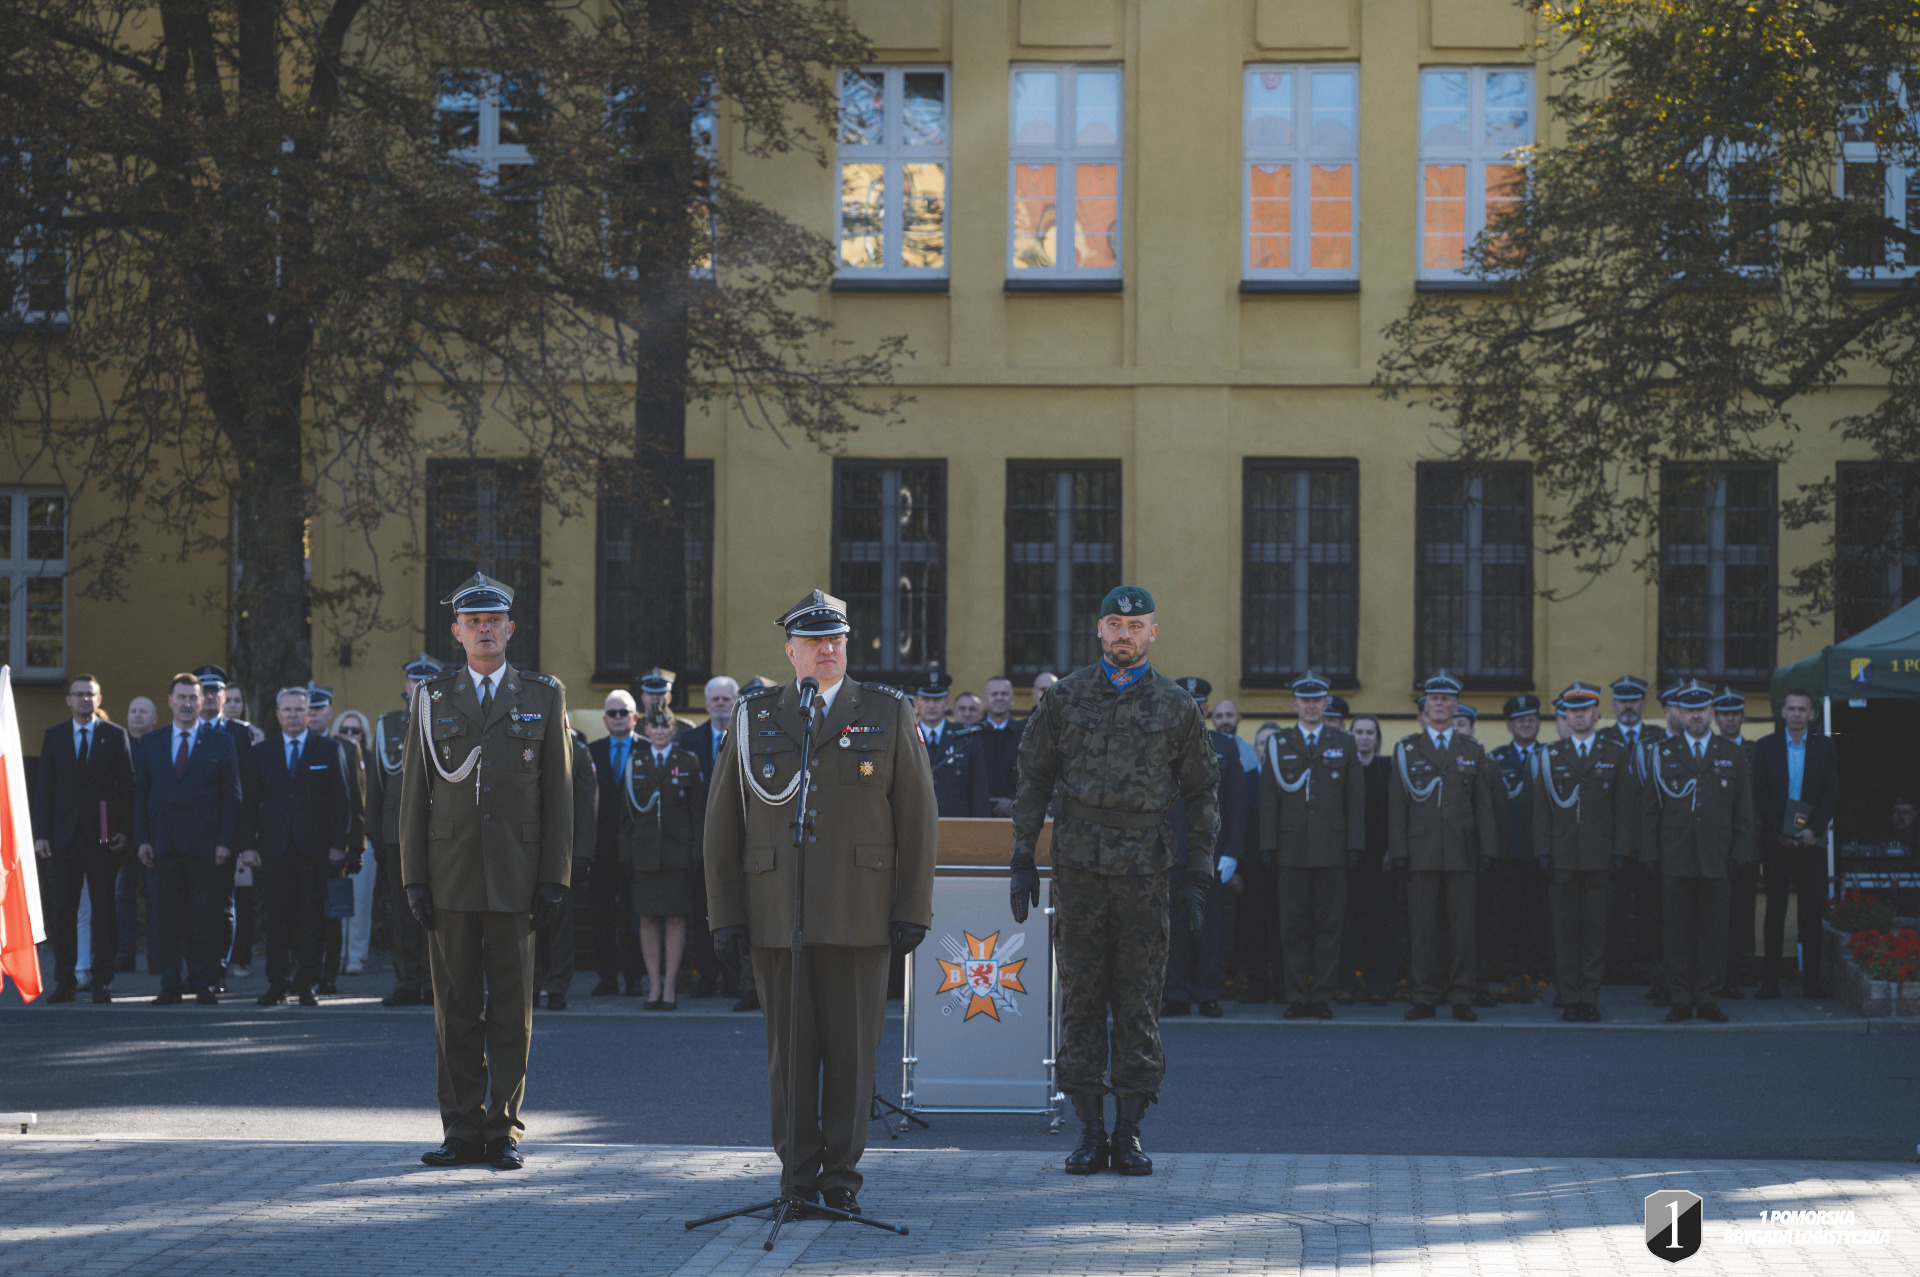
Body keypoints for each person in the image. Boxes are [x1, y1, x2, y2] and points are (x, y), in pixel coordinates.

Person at [705, 588, 937, 1217]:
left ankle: (840, 1180)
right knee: (790, 1058)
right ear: (791, 651)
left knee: (852, 1058)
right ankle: (797, 1179)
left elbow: (918, 816)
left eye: (836, 639)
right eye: (813, 641)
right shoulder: (755, 716)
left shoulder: (886, 710)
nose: (827, 649)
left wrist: (911, 906)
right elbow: (723, 822)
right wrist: (726, 914)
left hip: (861, 911)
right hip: (777, 912)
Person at [1009, 585, 1218, 1178]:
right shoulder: (1065, 697)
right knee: (1080, 1000)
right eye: (1115, 625)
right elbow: (1032, 779)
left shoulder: (1177, 705)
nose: (1125, 634)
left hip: (1145, 874)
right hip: (1078, 870)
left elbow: (1203, 793)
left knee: (1138, 1001)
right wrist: (1022, 857)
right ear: (1100, 630)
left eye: (1136, 625)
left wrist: (1198, 874)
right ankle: (1089, 1132)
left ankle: (1128, 1133)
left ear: (1153, 632)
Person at [400, 571, 573, 1172]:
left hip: (516, 875)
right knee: (455, 1010)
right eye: (472, 622)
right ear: (456, 632)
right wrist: (414, 878)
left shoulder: (543, 695)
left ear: (510, 628)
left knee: (510, 1011)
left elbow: (559, 795)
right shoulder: (431, 698)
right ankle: (460, 1129)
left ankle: (502, 1130)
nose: (483, 630)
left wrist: (554, 876)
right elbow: (414, 795)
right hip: (449, 874)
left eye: (493, 621)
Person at [1641, 679, 1754, 1021]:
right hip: (1675, 856)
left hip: (1717, 858)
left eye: (1701, 709)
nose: (1695, 716)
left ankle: (1707, 997)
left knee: (1714, 932)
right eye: (1689, 709)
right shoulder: (1662, 753)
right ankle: (1680, 997)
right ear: (1679, 712)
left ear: (1711, 712)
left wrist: (1741, 852)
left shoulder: (1731, 753)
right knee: (1676, 932)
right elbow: (1650, 811)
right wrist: (1650, 854)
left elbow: (1743, 811)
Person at [1389, 672, 1500, 1021]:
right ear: (1425, 707)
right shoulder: (1406, 749)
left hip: (1461, 852)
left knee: (1462, 929)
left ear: (1455, 706)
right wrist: (1399, 852)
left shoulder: (1472, 750)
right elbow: (1398, 807)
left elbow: (1483, 805)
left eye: (1446, 699)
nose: (1439, 704)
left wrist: (1488, 851)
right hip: (1421, 852)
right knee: (1423, 930)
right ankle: (1424, 996)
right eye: (1434, 699)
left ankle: (1461, 996)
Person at [1259, 672, 1365, 1020]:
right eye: (1305, 701)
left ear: (1325, 704)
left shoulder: (1344, 742)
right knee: (1291, 926)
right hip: (1290, 849)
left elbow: (1354, 798)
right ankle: (1296, 995)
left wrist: (1355, 844)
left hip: (1331, 848)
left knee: (1329, 926)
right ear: (1295, 704)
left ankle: (1321, 994)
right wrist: (1268, 845)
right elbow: (1268, 799)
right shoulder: (1279, 743)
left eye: (1317, 700)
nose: (1311, 706)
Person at [133, 673, 244, 1004]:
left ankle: (204, 982)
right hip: (163, 843)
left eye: (193, 698)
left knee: (205, 917)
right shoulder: (151, 742)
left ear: (202, 702)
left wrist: (226, 841)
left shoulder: (221, 742)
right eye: (181, 697)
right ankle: (170, 983)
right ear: (170, 701)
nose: (187, 703)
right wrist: (142, 839)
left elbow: (232, 797)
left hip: (206, 846)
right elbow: (140, 795)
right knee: (166, 917)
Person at [1532, 683, 1635, 1022]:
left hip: (1599, 855)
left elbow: (1623, 808)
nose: (1578, 715)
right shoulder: (1550, 755)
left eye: (1584, 709)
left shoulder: (1615, 753)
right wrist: (1542, 851)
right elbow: (1541, 810)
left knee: (1595, 930)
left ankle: (1589, 996)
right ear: (1565, 715)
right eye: (1572, 710)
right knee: (1564, 931)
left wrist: (1621, 852)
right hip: (1561, 856)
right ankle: (1569, 995)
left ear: (1596, 713)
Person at [244, 687, 352, 1006]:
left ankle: (307, 984)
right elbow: (250, 804)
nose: (293, 715)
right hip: (273, 850)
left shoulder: (329, 749)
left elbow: (342, 801)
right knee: (276, 920)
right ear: (278, 714)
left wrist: (338, 844)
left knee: (311, 920)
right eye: (287, 710)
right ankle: (278, 984)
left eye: (299, 710)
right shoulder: (262, 752)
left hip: (314, 850)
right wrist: (248, 846)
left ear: (309, 714)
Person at [33, 674, 135, 1003]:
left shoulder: (115, 735)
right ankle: (65, 981)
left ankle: (101, 981)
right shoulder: (55, 736)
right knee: (63, 910)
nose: (84, 699)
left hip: (103, 838)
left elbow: (128, 788)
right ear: (68, 700)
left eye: (90, 694)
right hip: (63, 838)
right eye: (78, 694)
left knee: (104, 910)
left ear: (99, 699)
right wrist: (41, 834)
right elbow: (45, 788)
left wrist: (126, 831)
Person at [1750, 687, 1840, 999]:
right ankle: (1770, 983)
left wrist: (1814, 830)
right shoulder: (1766, 746)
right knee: (1775, 910)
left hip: (1811, 841)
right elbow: (1759, 792)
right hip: (1777, 840)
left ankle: (1811, 984)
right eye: (1792, 709)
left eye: (1803, 709)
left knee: (1811, 913)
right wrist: (1780, 832)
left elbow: (1831, 791)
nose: (1797, 714)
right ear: (1783, 712)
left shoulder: (1825, 746)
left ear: (1811, 714)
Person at [1163, 676, 1243, 1018]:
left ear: (1206, 708)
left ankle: (1209, 994)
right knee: (1173, 929)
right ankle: (1176, 994)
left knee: (1210, 930)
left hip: (1211, 854)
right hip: (1170, 852)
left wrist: (1233, 852)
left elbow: (1236, 803)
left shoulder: (1225, 746)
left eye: (1198, 704)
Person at [369, 653, 442, 1006]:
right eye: (416, 680)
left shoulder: (452, 718)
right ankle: (408, 981)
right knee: (401, 910)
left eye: (429, 680)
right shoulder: (389, 725)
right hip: (396, 832)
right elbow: (376, 783)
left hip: (441, 832)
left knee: (439, 909)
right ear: (406, 685)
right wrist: (372, 829)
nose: (421, 686)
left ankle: (435, 981)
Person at [622, 710, 705, 1009]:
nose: (659, 731)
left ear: (673, 729)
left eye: (664, 726)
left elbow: (697, 813)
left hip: (677, 854)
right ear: (646, 729)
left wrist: (696, 853)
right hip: (644, 854)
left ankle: (669, 988)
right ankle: (653, 987)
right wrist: (625, 856)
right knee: (646, 918)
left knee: (674, 919)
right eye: (654, 726)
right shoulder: (636, 762)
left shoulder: (688, 761)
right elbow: (625, 817)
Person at [1600, 674, 1668, 1000]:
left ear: (1643, 704)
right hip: (1611, 840)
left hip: (1648, 839)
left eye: (1634, 700)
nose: (1628, 706)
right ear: (1613, 705)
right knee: (1610, 908)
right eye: (1622, 701)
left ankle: (1647, 968)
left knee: (1650, 909)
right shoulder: (1602, 739)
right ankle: (1612, 966)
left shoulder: (1659, 738)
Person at [305, 685, 366, 994]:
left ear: (329, 712)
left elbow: (356, 801)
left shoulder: (346, 748)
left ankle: (328, 975)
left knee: (332, 916)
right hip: (299, 846)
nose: (313, 715)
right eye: (309, 709)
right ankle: (302, 972)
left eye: (319, 709)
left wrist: (354, 848)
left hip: (333, 848)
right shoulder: (293, 746)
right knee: (300, 914)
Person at [589, 689, 646, 997]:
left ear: (635, 717)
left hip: (638, 847)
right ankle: (607, 978)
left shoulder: (649, 749)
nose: (618, 718)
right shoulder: (592, 751)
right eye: (612, 713)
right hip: (601, 848)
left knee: (635, 915)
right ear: (605, 719)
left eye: (624, 712)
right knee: (602, 915)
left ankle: (634, 978)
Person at [534, 727, 597, 1011]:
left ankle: (557, 988)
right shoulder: (521, 738)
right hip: (522, 848)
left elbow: (586, 806)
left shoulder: (577, 751)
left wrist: (582, 854)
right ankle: (529, 986)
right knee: (524, 922)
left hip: (561, 850)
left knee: (560, 923)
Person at [1489, 695, 1547, 994]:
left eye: (1531, 720)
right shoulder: (1495, 759)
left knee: (1541, 912)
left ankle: (1539, 967)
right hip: (1509, 851)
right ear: (1510, 726)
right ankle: (1510, 969)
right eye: (1520, 720)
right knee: (1508, 913)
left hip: (1543, 851)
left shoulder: (1552, 755)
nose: (1526, 725)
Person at [1343, 713, 1397, 1006]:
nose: (1364, 737)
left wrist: (1393, 849)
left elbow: (1397, 811)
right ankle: (1347, 984)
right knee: (1347, 922)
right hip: (1346, 857)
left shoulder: (1388, 768)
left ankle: (1379, 985)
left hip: (1380, 858)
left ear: (1377, 738)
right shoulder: (1341, 767)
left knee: (1380, 923)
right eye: (1359, 732)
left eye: (1369, 732)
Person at [1713, 687, 1759, 994]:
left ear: (1742, 717)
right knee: (1717, 912)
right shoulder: (1709, 750)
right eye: (1724, 714)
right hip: (1715, 845)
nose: (1730, 719)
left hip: (1749, 842)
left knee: (1744, 909)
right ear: (1716, 718)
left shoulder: (1755, 752)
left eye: (1735, 714)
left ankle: (1743, 967)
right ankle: (1721, 971)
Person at [331, 709, 378, 975]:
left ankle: (356, 956)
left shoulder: (371, 760)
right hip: (335, 839)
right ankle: (335, 954)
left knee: (360, 902)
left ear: (364, 735)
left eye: (355, 730)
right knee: (335, 899)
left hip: (364, 839)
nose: (350, 735)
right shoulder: (330, 754)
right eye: (344, 730)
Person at [116, 694, 160, 976]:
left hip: (154, 833)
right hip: (124, 832)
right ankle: (125, 955)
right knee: (123, 896)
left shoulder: (160, 745)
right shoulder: (119, 745)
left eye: (144, 711)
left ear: (155, 718)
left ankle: (156, 957)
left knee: (156, 897)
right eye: (133, 710)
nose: (137, 715)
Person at [914, 669, 989, 818]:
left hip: (957, 822)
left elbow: (979, 788)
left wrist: (979, 825)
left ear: (947, 702)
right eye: (926, 699)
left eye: (937, 699)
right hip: (917, 821)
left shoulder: (966, 736)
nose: (931, 705)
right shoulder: (906, 735)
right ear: (916, 703)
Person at [979, 676, 1026, 817]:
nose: (999, 698)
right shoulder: (973, 734)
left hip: (1018, 815)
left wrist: (1014, 801)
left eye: (1004, 694)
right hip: (978, 814)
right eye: (994, 694)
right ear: (984, 699)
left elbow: (1035, 775)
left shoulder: (1027, 734)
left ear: (1012, 699)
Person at [676, 676, 737, 782]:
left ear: (735, 704)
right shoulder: (688, 739)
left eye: (726, 699)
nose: (720, 703)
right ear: (707, 705)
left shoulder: (746, 738)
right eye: (715, 699)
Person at [639, 667, 695, 734]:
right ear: (642, 697)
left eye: (660, 693)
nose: (655, 697)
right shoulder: (633, 727)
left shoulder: (685, 728)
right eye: (650, 693)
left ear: (670, 697)